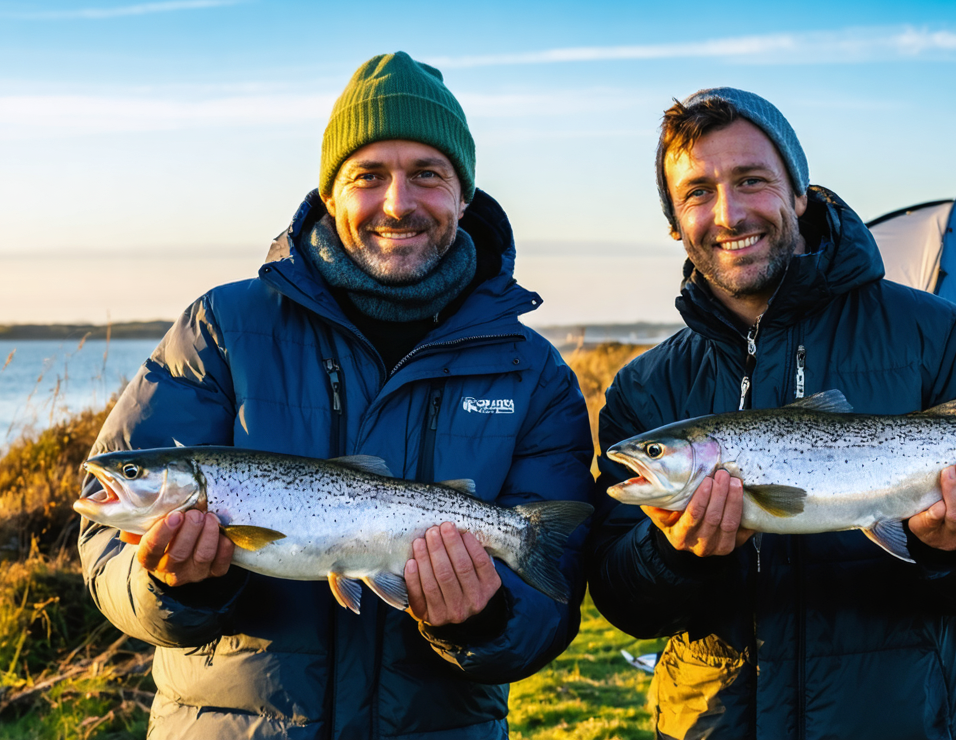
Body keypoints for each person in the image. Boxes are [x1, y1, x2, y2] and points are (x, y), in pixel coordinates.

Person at [77, 52, 594, 739]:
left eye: (428, 175)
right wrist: (172, 588)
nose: (398, 203)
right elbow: (103, 556)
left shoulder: (535, 373)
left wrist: (488, 619)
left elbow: (548, 614)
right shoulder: (219, 329)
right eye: (369, 175)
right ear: (329, 193)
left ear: (464, 195)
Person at [586, 87, 956, 740]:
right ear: (673, 220)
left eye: (751, 180)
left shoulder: (938, 333)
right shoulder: (644, 388)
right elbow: (620, 601)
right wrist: (676, 556)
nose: (727, 213)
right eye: (697, 191)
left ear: (800, 193)